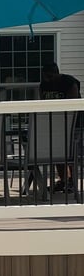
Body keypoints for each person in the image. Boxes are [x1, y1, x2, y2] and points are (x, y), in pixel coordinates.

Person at [39, 62, 81, 193]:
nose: (48, 80)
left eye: (50, 76)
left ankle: (72, 182)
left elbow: (72, 106)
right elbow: (42, 103)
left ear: (57, 73)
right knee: (57, 153)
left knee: (70, 154)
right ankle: (63, 181)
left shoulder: (69, 82)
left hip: (73, 124)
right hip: (54, 124)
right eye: (45, 77)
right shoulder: (44, 85)